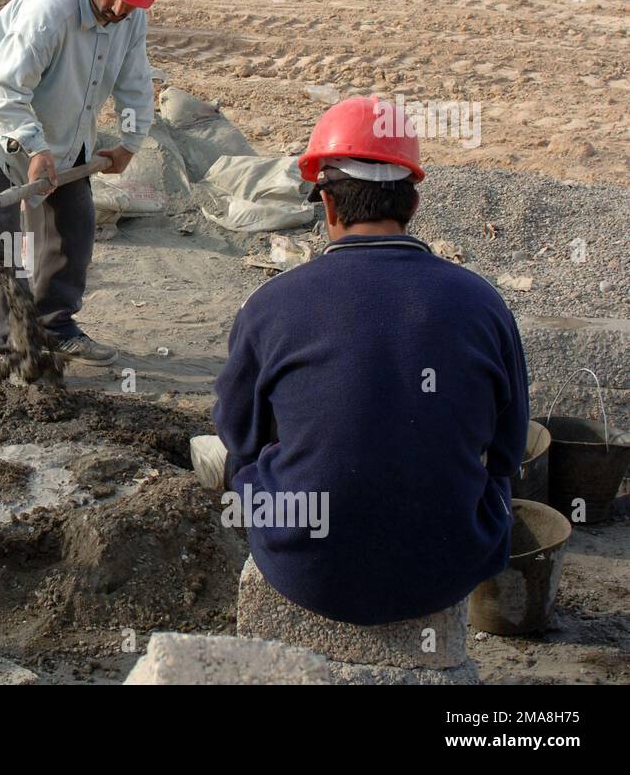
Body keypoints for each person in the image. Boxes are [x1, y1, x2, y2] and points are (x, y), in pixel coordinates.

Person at [207, 95, 529, 625]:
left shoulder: (272, 306)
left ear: (328, 206)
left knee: (244, 463)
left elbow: (239, 435)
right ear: (413, 205)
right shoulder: (482, 303)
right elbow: (508, 451)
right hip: (451, 566)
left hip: (308, 572)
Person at [0, 0, 167, 367]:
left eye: (135, 1)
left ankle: (54, 324)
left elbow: (135, 83)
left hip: (63, 124)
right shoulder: (50, 9)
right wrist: (33, 148)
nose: (122, 8)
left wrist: (130, 140)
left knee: (74, 222)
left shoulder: (131, 14)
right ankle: (15, 345)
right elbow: (4, 87)